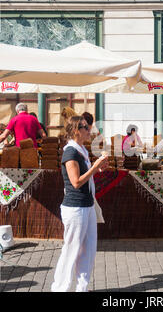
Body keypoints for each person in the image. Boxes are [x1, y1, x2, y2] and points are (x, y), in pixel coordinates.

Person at [51, 116, 109, 292]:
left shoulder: (81, 149)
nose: (89, 129)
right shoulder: (71, 152)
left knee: (88, 250)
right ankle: (60, 288)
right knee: (71, 250)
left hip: (87, 205)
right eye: (85, 126)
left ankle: (82, 288)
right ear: (77, 130)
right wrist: (94, 167)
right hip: (76, 208)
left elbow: (85, 177)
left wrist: (96, 169)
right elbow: (75, 182)